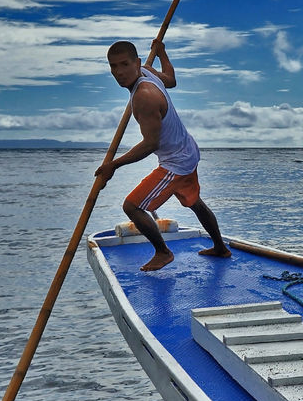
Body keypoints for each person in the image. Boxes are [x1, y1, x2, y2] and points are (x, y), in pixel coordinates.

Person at [95, 39, 232, 271]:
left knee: (132, 206)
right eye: (113, 66)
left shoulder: (144, 96)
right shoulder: (148, 71)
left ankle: (163, 252)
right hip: (187, 149)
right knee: (195, 202)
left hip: (175, 162)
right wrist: (162, 53)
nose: (119, 72)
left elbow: (150, 144)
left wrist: (113, 165)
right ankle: (220, 247)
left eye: (124, 64)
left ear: (136, 63)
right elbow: (171, 79)